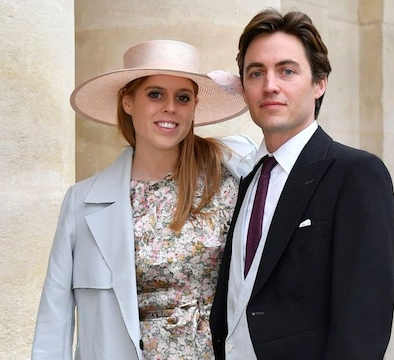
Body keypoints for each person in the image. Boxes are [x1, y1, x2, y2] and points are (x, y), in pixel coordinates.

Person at [32, 39, 256, 359]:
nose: (170, 108)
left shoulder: (230, 181)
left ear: (194, 106)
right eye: (155, 94)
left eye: (183, 97)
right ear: (127, 101)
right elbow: (54, 320)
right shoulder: (81, 203)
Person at [210, 8, 394, 359]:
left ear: (319, 82)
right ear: (245, 88)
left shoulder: (356, 175)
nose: (270, 85)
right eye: (256, 73)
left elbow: (363, 325)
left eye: (287, 70)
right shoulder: (245, 179)